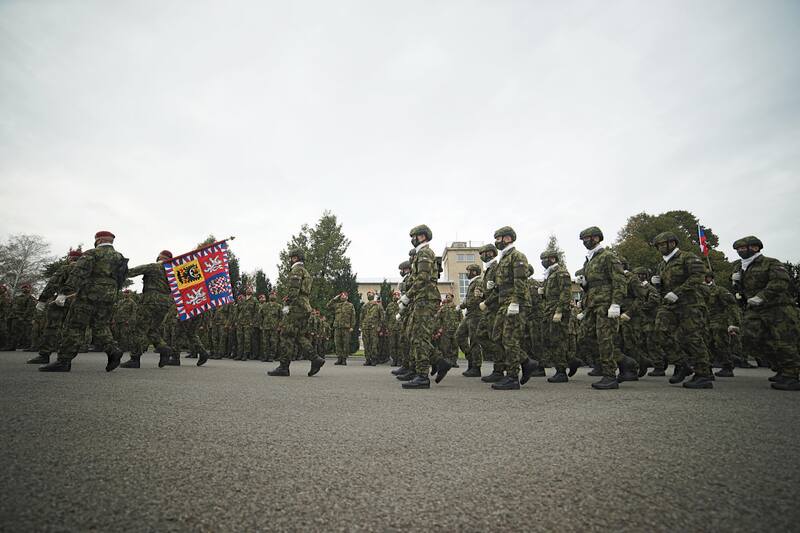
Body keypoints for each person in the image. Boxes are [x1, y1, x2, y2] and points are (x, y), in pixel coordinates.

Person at [39, 231, 127, 372]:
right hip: (109, 296)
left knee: (74, 326)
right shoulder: (120, 257)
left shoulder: (92, 253)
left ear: (98, 240)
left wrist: (64, 292)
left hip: (89, 294)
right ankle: (113, 349)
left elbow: (78, 272)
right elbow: (121, 278)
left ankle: (64, 361)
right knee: (101, 325)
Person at [732, 236, 799, 391]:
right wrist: (737, 285)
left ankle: (791, 375)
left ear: (755, 248)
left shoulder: (771, 262)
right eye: (738, 250)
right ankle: (779, 366)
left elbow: (781, 281)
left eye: (743, 248)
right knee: (749, 338)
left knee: (784, 341)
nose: (740, 252)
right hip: (754, 309)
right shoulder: (739, 266)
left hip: (778, 308)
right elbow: (742, 289)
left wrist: (762, 296)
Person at [651, 232, 714, 389]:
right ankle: (682, 364)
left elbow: (698, 276)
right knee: (659, 332)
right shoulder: (662, 264)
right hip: (670, 304)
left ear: (672, 243)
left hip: (690, 303)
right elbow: (664, 287)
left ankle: (703, 374)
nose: (660, 248)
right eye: (658, 246)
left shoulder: (687, 257)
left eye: (663, 245)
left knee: (692, 337)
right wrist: (657, 285)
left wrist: (678, 292)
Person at [398, 225, 450, 389]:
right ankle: (439, 361)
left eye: (416, 236)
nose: (413, 239)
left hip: (426, 299)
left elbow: (422, 279)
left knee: (420, 337)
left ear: (423, 237)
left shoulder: (425, 253)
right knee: (413, 335)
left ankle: (422, 376)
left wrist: (408, 295)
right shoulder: (421, 253)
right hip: (421, 299)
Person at [575, 226, 627, 389]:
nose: (585, 242)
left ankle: (610, 376)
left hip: (606, 304)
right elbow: (591, 285)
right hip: (592, 304)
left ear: (596, 238)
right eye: (583, 240)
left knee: (605, 339)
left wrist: (616, 303)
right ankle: (626, 363)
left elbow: (619, 281)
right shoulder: (589, 260)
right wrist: (584, 284)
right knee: (584, 337)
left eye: (587, 238)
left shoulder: (608, 256)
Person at [487, 226, 539, 390]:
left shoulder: (517, 256)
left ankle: (512, 377)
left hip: (515, 302)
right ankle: (526, 362)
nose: (497, 242)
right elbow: (505, 282)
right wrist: (494, 286)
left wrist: (516, 301)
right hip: (504, 301)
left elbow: (521, 281)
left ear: (508, 238)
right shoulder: (504, 258)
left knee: (510, 338)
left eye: (499, 238)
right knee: (497, 336)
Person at [267, 249, 325, 377]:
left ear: (295, 258)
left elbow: (294, 289)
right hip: (304, 306)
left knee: (286, 335)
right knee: (299, 335)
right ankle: (315, 359)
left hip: (296, 306)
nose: (290, 260)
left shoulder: (296, 270)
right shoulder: (306, 271)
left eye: (291, 257)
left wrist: (288, 304)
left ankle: (284, 367)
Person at [120, 250, 175, 368]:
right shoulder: (173, 272)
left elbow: (132, 272)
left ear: (159, 257)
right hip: (165, 303)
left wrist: (119, 268)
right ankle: (164, 349)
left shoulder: (153, 267)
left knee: (139, 328)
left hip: (150, 301)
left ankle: (135, 359)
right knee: (152, 329)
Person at [28, 249, 83, 365]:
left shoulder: (66, 269)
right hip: (80, 303)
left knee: (52, 327)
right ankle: (64, 358)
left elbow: (53, 284)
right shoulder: (86, 272)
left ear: (70, 258)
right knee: (72, 329)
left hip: (61, 301)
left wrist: (42, 300)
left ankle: (44, 355)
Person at [456, 263, 483, 377]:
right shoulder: (472, 283)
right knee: (459, 336)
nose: (467, 273)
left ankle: (476, 367)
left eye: (468, 271)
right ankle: (471, 358)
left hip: (476, 315)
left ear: (474, 272)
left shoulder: (478, 282)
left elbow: (475, 300)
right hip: (469, 315)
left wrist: (461, 306)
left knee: (474, 341)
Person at [328, 292, 355, 365]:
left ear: (347, 297)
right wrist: (335, 298)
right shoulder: (337, 305)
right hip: (337, 326)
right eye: (342, 295)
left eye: (344, 295)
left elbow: (353, 317)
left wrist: (352, 326)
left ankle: (344, 359)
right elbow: (328, 306)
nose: (343, 296)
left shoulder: (350, 305)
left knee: (345, 343)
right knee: (337, 343)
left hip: (346, 327)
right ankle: (339, 358)